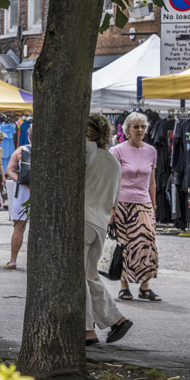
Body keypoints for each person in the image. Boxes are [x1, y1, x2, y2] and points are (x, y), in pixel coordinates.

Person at [84, 113, 133, 347]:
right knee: (89, 275)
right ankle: (117, 319)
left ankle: (87, 330)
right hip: (100, 224)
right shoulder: (113, 162)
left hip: (82, 220)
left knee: (80, 277)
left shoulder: (87, 152)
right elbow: (115, 201)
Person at [110, 112, 161, 302]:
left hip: (144, 201)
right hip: (122, 202)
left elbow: (152, 182)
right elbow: (112, 180)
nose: (140, 130)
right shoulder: (117, 151)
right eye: (136, 127)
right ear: (128, 130)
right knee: (124, 244)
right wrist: (112, 207)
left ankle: (145, 285)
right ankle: (124, 286)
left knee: (147, 242)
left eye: (143, 127)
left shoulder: (151, 151)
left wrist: (153, 204)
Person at [4, 123, 32, 269]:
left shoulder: (21, 150)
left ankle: (13, 260)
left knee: (19, 228)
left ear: (29, 136)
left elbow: (9, 170)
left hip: (23, 193)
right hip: (42, 194)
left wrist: (22, 182)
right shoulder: (51, 151)